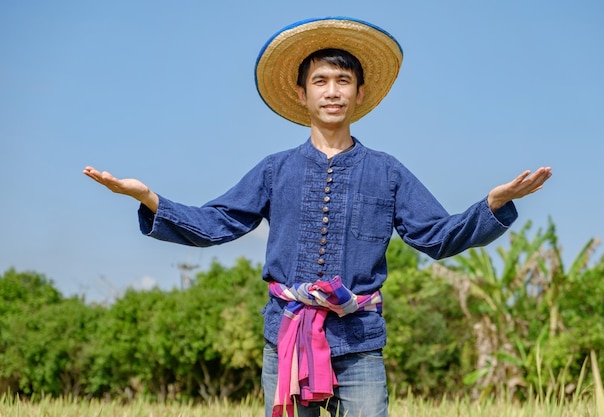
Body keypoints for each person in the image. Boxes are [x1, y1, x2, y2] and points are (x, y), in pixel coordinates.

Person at [83, 17, 552, 417]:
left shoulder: (387, 171)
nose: (333, 92)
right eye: (321, 81)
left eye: (343, 81)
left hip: (360, 342)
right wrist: (151, 200)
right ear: (302, 92)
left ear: (360, 93)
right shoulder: (275, 169)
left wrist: (491, 206)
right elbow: (216, 223)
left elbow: (436, 235)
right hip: (285, 337)